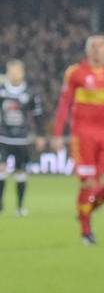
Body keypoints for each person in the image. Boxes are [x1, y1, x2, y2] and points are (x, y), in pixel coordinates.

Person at [52, 35, 104, 244]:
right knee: (89, 182)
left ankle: (87, 210)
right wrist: (57, 133)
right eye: (93, 46)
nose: (97, 50)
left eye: (101, 46)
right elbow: (64, 104)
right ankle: (86, 231)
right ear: (87, 51)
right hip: (83, 135)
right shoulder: (76, 73)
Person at [1, 60, 44, 216]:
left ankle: (19, 207)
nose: (14, 74)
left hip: (21, 138)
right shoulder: (2, 90)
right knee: (1, 169)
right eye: (11, 71)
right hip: (3, 137)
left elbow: (38, 115)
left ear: (22, 72)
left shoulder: (30, 92)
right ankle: (0, 206)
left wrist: (40, 135)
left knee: (21, 172)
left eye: (16, 71)